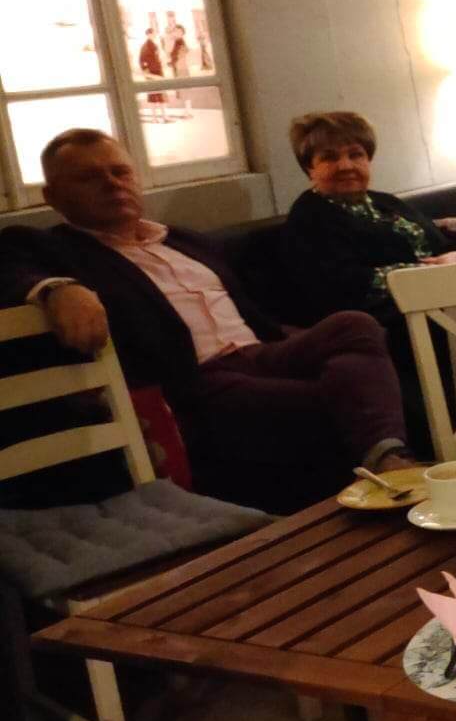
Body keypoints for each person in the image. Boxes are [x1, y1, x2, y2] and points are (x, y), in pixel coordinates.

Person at [0, 129, 416, 512]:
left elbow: (260, 313)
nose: (112, 184)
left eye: (120, 172)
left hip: (263, 352)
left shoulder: (183, 240)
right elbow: (8, 264)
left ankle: (387, 458)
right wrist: (57, 288)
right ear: (53, 196)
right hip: (195, 379)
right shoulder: (52, 249)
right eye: (89, 178)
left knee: (355, 325)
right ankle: (389, 471)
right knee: (345, 400)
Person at [280, 111, 456, 327]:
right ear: (310, 168)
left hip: (447, 297)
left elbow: (443, 245)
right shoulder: (309, 216)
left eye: (355, 155)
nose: (346, 166)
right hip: (393, 320)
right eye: (330, 157)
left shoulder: (386, 201)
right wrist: (424, 275)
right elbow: (342, 285)